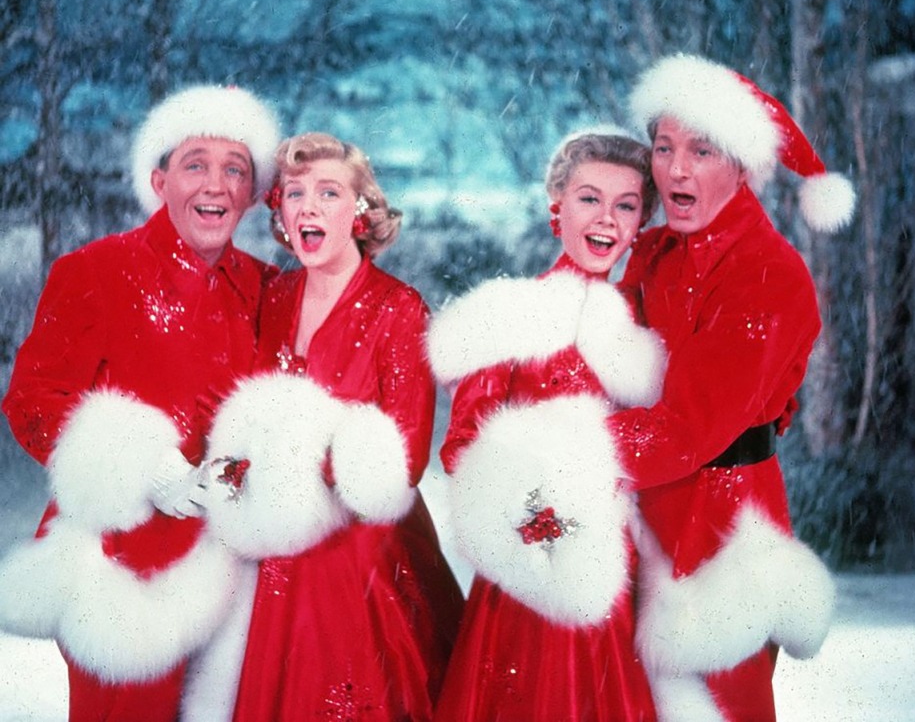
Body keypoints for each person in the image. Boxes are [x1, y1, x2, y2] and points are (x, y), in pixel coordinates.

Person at [0, 84, 280, 722]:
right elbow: (33, 399)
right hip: (125, 571)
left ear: (251, 193)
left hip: (233, 571)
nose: (215, 185)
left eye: (234, 169)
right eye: (195, 165)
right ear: (158, 181)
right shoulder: (95, 272)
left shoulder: (265, 289)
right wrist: (143, 468)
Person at [609, 53, 856, 721]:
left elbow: (690, 426)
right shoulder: (654, 252)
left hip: (718, 522)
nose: (676, 169)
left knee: (716, 700)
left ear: (744, 165)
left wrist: (574, 457)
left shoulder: (767, 273)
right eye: (664, 147)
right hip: (639, 505)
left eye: (702, 150)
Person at [188, 132, 464, 722]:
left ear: (361, 212)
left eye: (329, 192)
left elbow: (408, 455)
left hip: (364, 547)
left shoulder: (399, 307)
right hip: (276, 540)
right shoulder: (276, 295)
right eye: (295, 193)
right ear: (282, 213)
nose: (309, 206)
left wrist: (304, 465)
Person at [425, 129, 667, 722]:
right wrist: (533, 512)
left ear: (640, 223)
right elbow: (464, 446)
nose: (606, 218)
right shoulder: (509, 316)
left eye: (626, 204)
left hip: (624, 578)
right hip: (532, 570)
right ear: (556, 205)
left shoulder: (647, 327)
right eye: (589, 198)